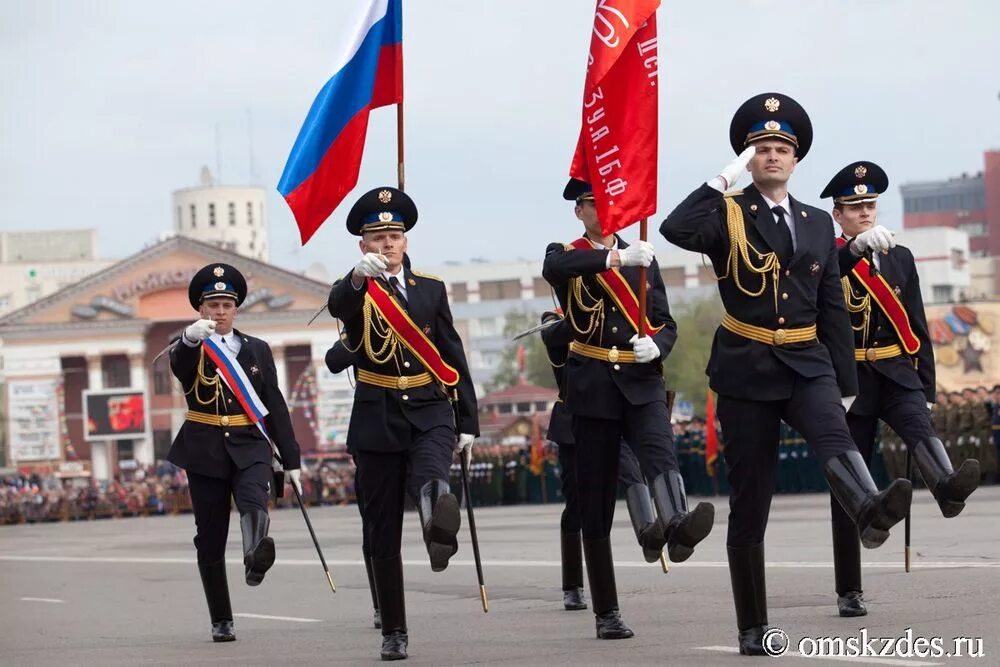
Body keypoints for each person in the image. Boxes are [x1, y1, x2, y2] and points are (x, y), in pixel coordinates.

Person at [660, 92, 912, 655]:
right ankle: (752, 626)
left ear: (796, 160)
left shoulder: (819, 222)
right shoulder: (727, 213)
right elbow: (676, 229)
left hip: (806, 362)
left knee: (834, 437)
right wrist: (722, 179)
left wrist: (845, 382)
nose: (771, 155)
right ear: (749, 158)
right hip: (746, 370)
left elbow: (831, 307)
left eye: (780, 148)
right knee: (752, 501)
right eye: (761, 148)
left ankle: (869, 508)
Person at [542, 180, 714, 640]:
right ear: (580, 211)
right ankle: (607, 611)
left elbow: (667, 322)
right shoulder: (568, 252)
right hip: (593, 386)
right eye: (594, 202)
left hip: (640, 381)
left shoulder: (646, 257)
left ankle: (676, 522)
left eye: (610, 200)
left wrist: (656, 346)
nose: (605, 209)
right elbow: (555, 267)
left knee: (659, 454)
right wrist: (617, 258)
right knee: (595, 501)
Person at [326, 186, 479, 661]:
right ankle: (394, 629)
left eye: (395, 235)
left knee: (434, 470)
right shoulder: (357, 288)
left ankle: (437, 525)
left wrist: (468, 419)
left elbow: (452, 352)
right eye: (377, 236)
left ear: (406, 241)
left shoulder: (431, 288)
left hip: (430, 405)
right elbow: (337, 307)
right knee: (381, 528)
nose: (387, 243)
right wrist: (356, 280)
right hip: (377, 413)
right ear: (362, 245)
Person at [823, 160, 980, 616]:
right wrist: (853, 250)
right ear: (838, 214)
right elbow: (819, 281)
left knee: (919, 425)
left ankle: (947, 487)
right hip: (849, 381)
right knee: (849, 482)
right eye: (854, 208)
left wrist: (927, 384)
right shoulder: (828, 253)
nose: (865, 213)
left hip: (896, 369)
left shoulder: (900, 257)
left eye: (869, 205)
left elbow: (916, 321)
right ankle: (849, 588)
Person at [168, 263, 302, 643]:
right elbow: (180, 368)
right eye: (212, 304)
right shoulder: (191, 346)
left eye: (227, 303)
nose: (220, 311)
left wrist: (290, 459)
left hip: (249, 444)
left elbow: (274, 403)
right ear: (201, 308)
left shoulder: (256, 349)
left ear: (237, 307)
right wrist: (190, 340)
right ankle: (221, 618)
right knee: (209, 537)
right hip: (205, 448)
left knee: (253, 501)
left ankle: (255, 554)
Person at [537, 310, 669, 614]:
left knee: (634, 476)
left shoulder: (615, 313)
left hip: (618, 408)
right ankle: (573, 585)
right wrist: (585, 316)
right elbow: (552, 335)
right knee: (578, 506)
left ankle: (649, 532)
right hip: (576, 420)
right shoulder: (559, 320)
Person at [325, 338, 381, 630]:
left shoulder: (418, 307)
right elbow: (334, 360)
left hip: (418, 424)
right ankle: (381, 603)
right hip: (372, 433)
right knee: (374, 528)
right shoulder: (361, 318)